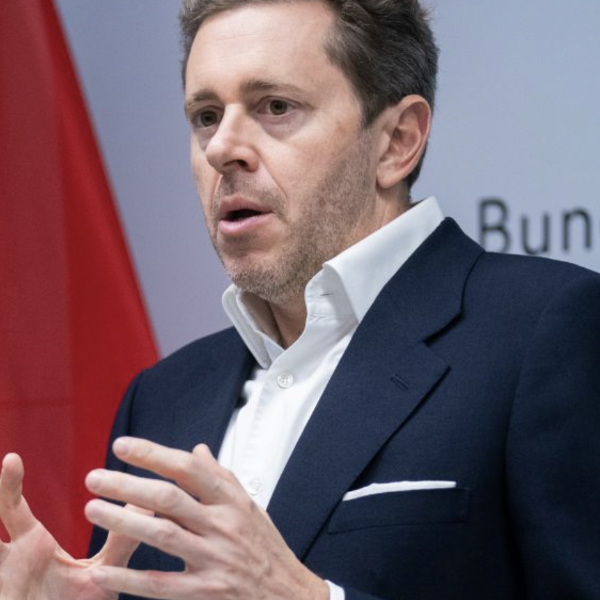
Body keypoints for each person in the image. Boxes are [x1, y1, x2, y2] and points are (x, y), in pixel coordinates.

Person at [1, 0, 599, 598]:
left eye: (276, 107)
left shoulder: (547, 332)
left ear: (397, 141)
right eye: (206, 116)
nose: (222, 148)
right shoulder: (159, 399)